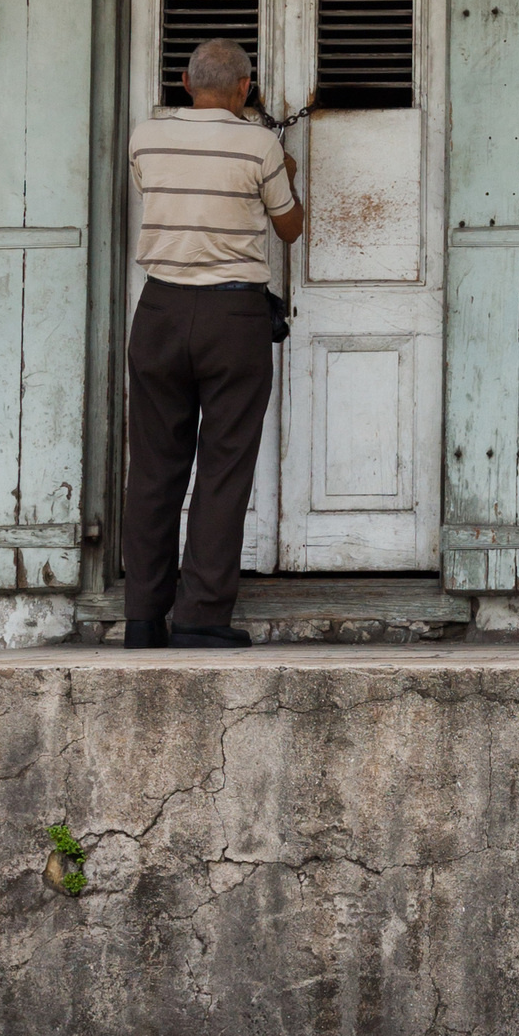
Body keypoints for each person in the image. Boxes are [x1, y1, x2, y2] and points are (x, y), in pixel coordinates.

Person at [121, 36, 304, 648]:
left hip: (160, 311)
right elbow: (289, 228)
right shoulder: (261, 144)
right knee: (224, 468)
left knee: (153, 467)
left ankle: (143, 618)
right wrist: (289, 176)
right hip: (233, 318)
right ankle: (200, 616)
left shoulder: (146, 137)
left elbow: (157, 192)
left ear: (185, 82)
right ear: (246, 89)